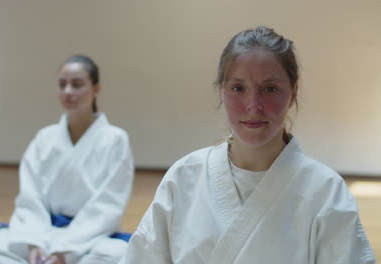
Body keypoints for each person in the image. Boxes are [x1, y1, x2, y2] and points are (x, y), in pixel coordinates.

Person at [120, 26, 376, 263]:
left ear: (293, 92)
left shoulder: (326, 191)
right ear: (222, 90)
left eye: (271, 89)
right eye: (238, 88)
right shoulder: (184, 176)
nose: (254, 105)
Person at [0, 55, 135, 264]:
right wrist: (34, 243)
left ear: (96, 89)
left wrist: (64, 252)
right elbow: (30, 197)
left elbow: (108, 205)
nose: (68, 91)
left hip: (89, 240)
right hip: (44, 233)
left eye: (77, 85)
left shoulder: (115, 139)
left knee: (120, 254)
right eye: (62, 84)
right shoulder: (45, 138)